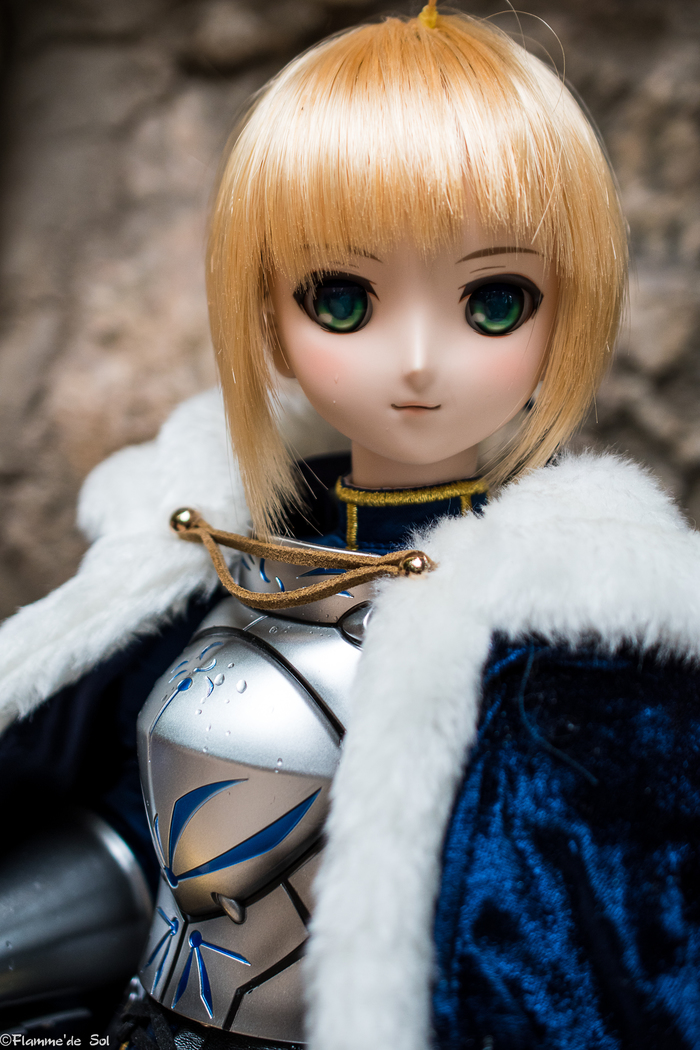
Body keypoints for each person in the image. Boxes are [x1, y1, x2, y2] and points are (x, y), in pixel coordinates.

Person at [1, 5, 699, 1049]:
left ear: (569, 310)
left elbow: (598, 965)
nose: (415, 358)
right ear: (268, 313)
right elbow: (121, 818)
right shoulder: (218, 547)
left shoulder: (579, 648)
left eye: (493, 302)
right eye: (342, 298)